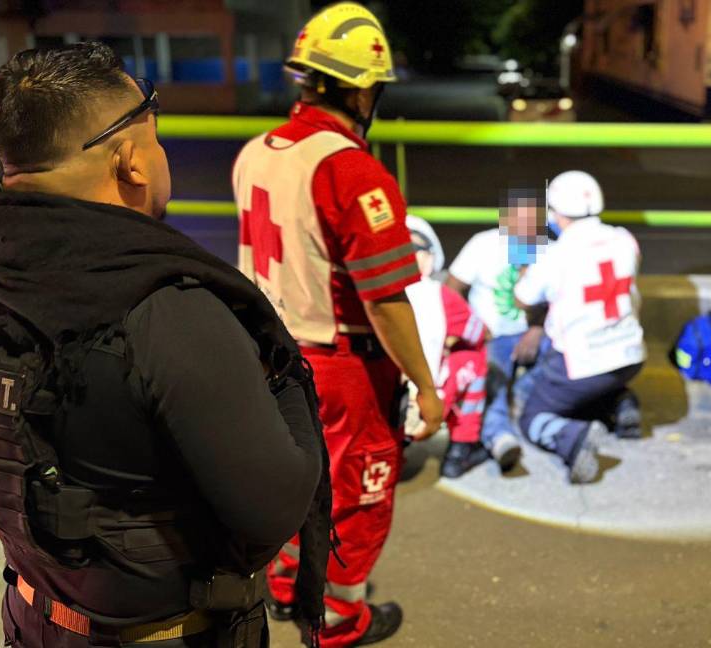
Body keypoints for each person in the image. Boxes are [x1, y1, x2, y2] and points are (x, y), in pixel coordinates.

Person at [0, 43, 331, 648]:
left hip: (35, 613)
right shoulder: (167, 312)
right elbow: (277, 506)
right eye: (156, 138)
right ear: (131, 162)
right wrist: (285, 376)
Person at [232, 4, 442, 646]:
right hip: (342, 368)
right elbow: (385, 300)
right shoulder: (351, 170)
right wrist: (428, 387)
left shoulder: (256, 153)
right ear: (359, 87)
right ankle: (340, 620)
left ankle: (290, 583)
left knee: (294, 480)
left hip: (269, 355)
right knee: (359, 496)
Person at [514, 171, 645, 484]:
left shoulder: (555, 255)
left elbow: (522, 298)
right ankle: (619, 402)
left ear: (555, 212)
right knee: (592, 387)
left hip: (581, 364)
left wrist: (525, 253)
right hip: (630, 357)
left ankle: (572, 438)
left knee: (532, 418)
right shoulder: (625, 239)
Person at [446, 189, 550, 471]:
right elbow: (451, 291)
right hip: (491, 336)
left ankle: (524, 403)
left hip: (535, 332)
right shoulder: (483, 245)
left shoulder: (550, 250)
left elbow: (562, 301)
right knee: (490, 380)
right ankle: (500, 436)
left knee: (560, 362)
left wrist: (537, 329)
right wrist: (473, 329)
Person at [404, 215, 491, 478]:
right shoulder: (438, 295)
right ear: (428, 259)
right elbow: (479, 333)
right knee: (473, 359)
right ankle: (461, 449)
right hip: (421, 403)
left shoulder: (365, 291)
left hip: (372, 400)